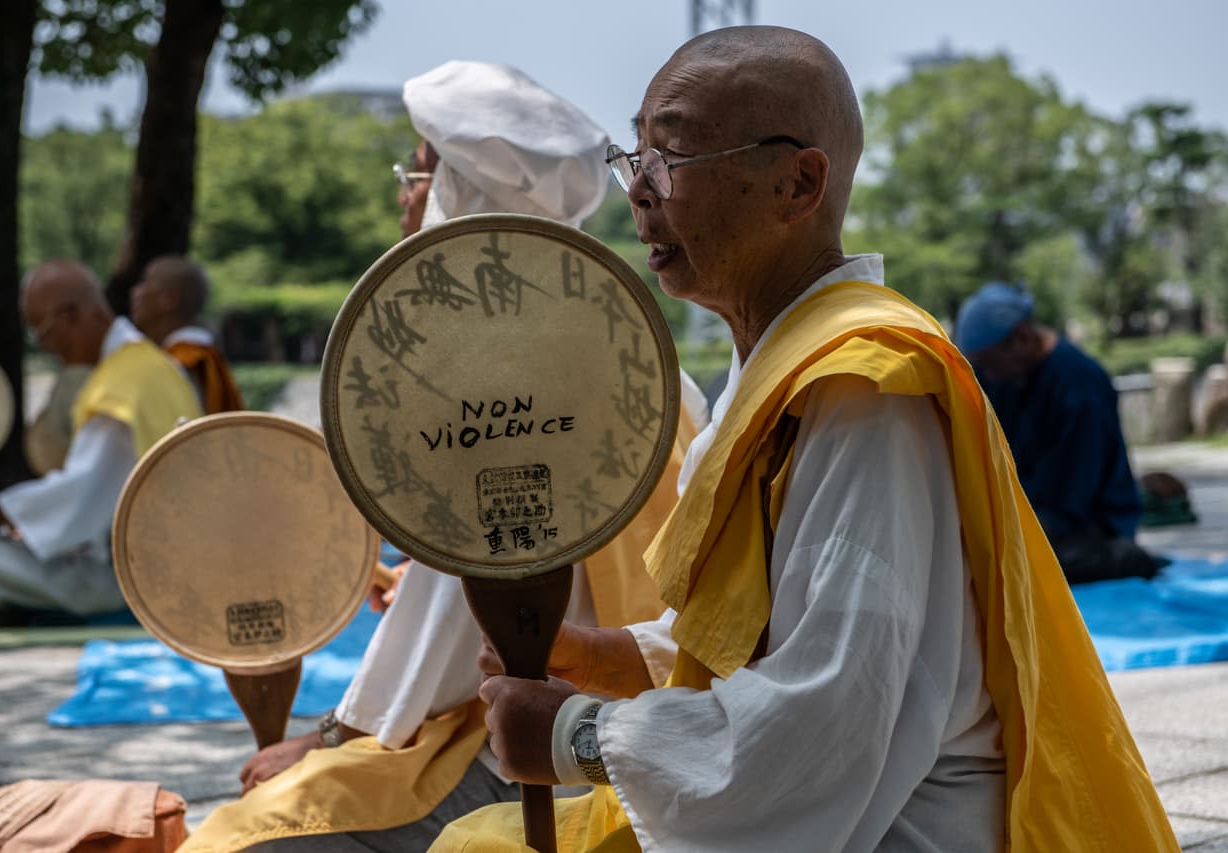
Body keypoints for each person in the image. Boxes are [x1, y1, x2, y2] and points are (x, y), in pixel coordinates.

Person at [432, 27, 1177, 852]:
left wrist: (580, 733)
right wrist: (613, 656)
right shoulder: (775, 370)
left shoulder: (863, 392)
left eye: (668, 157)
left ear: (798, 182)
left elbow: (829, 715)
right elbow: (777, 629)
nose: (638, 192)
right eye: (634, 157)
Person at [179, 60, 707, 853]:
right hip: (648, 711)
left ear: (459, 190)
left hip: (544, 739)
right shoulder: (637, 353)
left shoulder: (478, 377)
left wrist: (325, 736)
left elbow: (447, 646)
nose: (404, 194)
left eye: (416, 172)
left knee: (245, 833)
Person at [0, 260, 201, 624]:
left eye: (41, 331)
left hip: (141, 578)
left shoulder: (122, 386)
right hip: (180, 561)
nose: (47, 347)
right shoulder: (155, 367)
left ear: (69, 315)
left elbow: (80, 498)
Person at [955, 281, 1161, 585]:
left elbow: (1071, 497)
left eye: (989, 364)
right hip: (1036, 517)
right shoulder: (1006, 378)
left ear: (1022, 339)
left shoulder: (1079, 388)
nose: (987, 375)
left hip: (1087, 527)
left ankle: (1127, 559)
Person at [131, 255, 245, 414]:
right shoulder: (203, 356)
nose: (135, 292)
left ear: (170, 299)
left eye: (145, 282)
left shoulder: (184, 362)